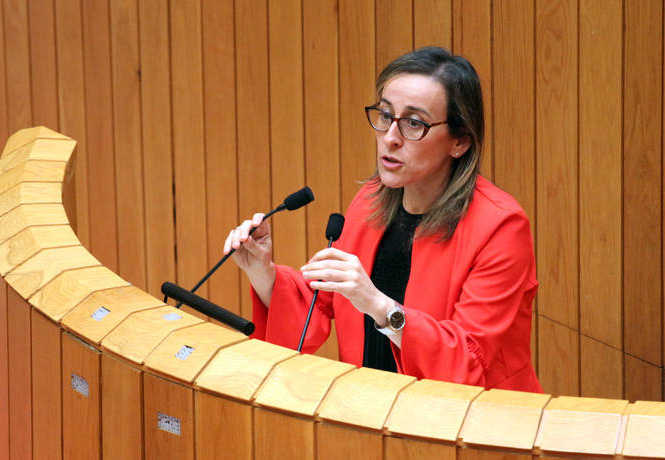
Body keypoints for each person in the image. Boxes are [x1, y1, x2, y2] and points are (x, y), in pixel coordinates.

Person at [224, 47, 542, 392]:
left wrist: (380, 307)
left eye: (414, 123)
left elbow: (468, 362)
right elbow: (319, 304)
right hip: (375, 413)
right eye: (386, 115)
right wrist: (261, 270)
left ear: (460, 142)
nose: (391, 137)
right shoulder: (371, 202)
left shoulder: (500, 228)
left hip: (470, 426)